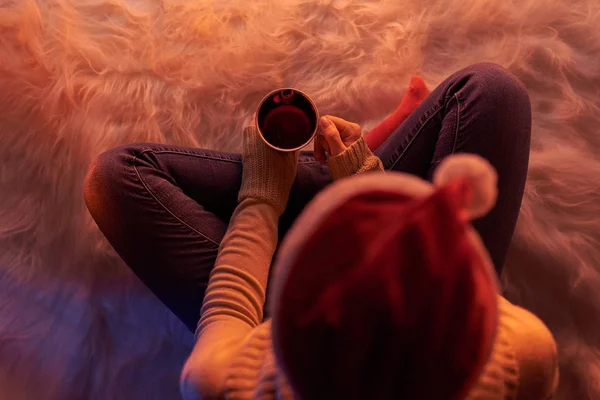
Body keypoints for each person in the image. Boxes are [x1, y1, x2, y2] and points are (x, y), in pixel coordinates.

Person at [84, 63, 558, 399]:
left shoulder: (226, 380)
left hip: (262, 301)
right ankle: (368, 163)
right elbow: (453, 276)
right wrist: (366, 183)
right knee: (494, 91)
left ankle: (312, 177)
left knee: (114, 178)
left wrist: (263, 194)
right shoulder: (522, 354)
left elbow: (231, 304)